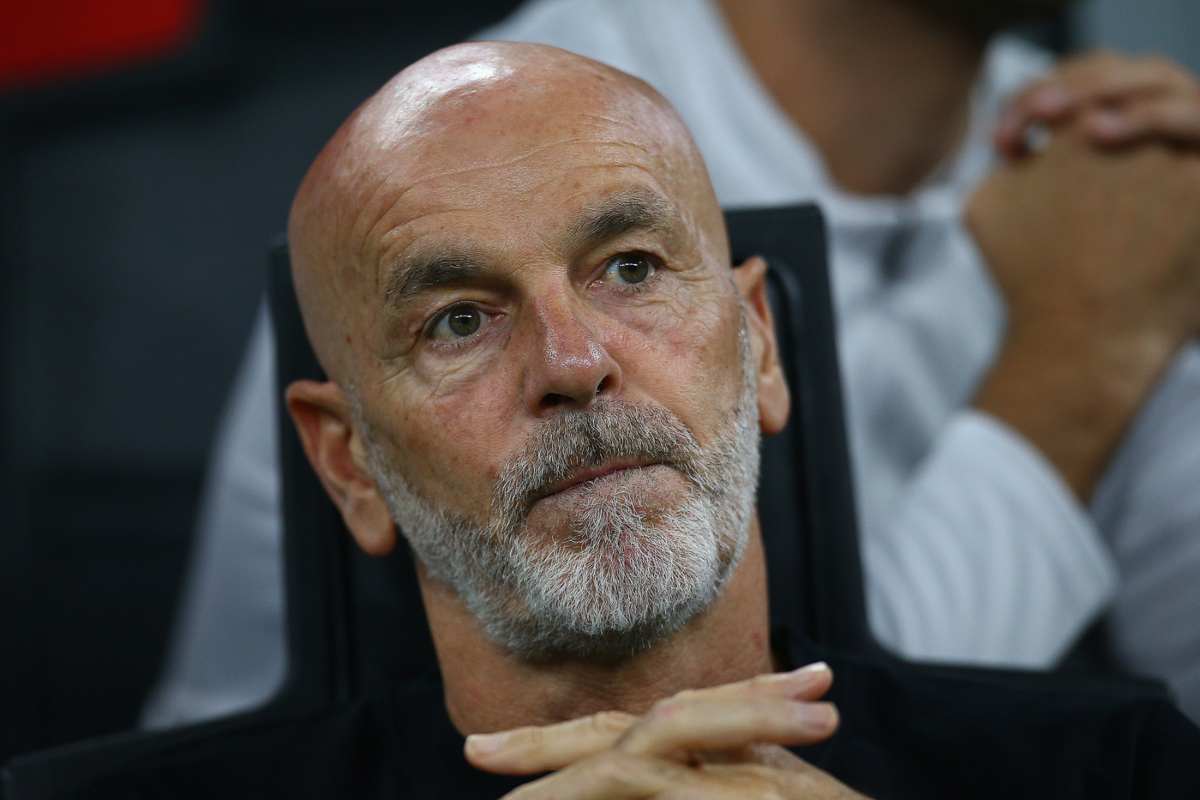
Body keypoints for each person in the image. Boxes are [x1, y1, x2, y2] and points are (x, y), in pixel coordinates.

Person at [95, 42, 1200, 798]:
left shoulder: (1121, 768)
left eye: (629, 268)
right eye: (460, 321)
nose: (575, 366)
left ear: (760, 346)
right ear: (349, 465)